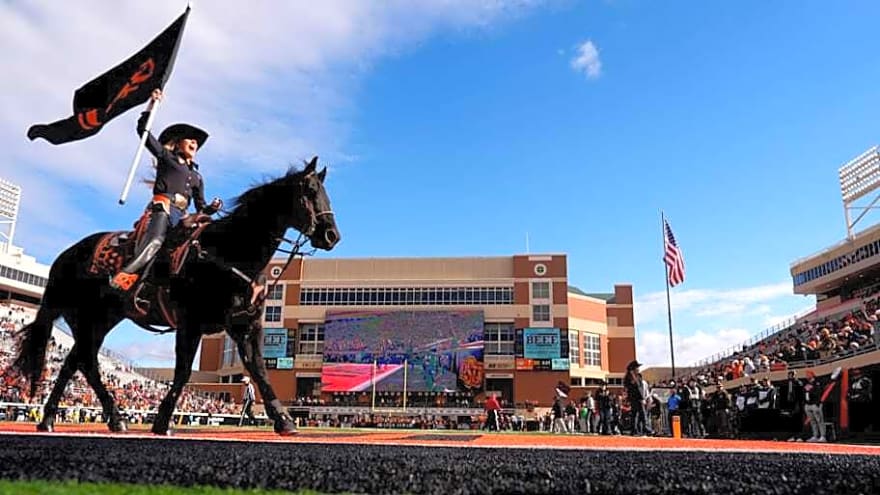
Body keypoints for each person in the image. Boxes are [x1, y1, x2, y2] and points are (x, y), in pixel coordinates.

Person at [110, 88, 223, 291]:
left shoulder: (198, 177)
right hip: (162, 208)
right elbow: (142, 131)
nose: (194, 142)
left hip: (182, 216)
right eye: (189, 139)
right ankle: (125, 275)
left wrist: (212, 208)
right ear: (178, 144)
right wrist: (151, 104)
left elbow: (201, 207)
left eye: (196, 142)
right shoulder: (166, 157)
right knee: (155, 240)